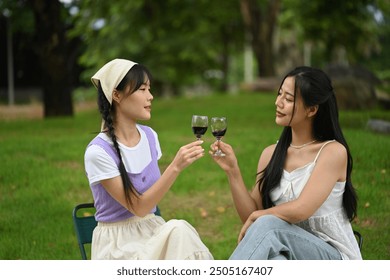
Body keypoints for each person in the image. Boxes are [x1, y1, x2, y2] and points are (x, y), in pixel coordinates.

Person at [210, 66, 362, 260]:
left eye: (288, 99)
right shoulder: (271, 154)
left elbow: (301, 209)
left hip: (332, 255)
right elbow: (251, 216)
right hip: (288, 250)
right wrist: (233, 171)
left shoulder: (332, 152)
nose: (278, 102)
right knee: (275, 261)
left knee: (268, 224)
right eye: (279, 94)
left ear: (312, 109)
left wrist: (260, 217)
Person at [84, 58, 213, 260]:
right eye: (142, 89)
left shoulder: (151, 137)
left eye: (149, 89)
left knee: (179, 232)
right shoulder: (98, 152)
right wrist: (176, 167)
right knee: (179, 230)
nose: (150, 97)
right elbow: (139, 207)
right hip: (118, 247)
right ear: (116, 95)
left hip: (151, 231)